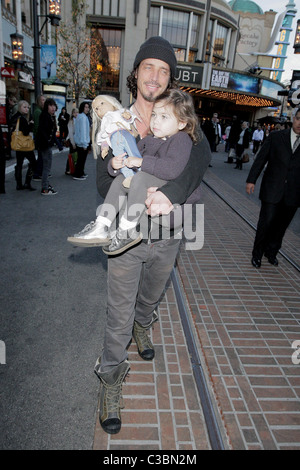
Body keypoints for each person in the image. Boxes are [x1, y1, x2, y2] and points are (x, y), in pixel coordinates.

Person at [91, 36, 211, 435]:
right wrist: (118, 157)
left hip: (169, 234)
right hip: (127, 238)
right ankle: (110, 380)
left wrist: (171, 197)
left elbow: (202, 156)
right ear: (135, 74)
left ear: (170, 79)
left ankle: (146, 322)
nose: (155, 76)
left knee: (150, 297)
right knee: (117, 316)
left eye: (164, 70)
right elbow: (99, 179)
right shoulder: (117, 121)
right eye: (148, 67)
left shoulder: (177, 117)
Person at [67, 88, 199, 255]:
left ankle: (127, 229)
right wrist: (115, 166)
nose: (156, 121)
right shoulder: (149, 140)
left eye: (164, 117)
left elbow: (171, 169)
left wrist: (141, 162)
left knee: (141, 178)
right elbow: (132, 159)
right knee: (121, 179)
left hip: (170, 196)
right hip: (151, 188)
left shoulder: (181, 139)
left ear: (182, 123)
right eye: (154, 115)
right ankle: (101, 225)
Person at [246, 106, 300, 269]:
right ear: (293, 118)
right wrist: (251, 180)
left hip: (293, 193)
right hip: (272, 188)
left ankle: (271, 252)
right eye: (298, 118)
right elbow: (261, 159)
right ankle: (257, 254)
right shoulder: (276, 137)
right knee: (266, 222)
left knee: (281, 226)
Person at [11, 100, 37, 191]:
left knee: (19, 163)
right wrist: (31, 124)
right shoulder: (22, 118)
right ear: (19, 107)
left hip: (18, 145)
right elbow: (26, 132)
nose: (26, 109)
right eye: (24, 107)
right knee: (33, 163)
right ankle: (27, 182)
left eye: (27, 107)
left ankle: (19, 184)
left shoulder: (14, 117)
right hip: (25, 146)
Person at [36, 98, 58, 195]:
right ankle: (45, 188)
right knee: (46, 167)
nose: (53, 108)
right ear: (46, 106)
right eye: (50, 105)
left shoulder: (49, 116)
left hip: (45, 144)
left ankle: (46, 185)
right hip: (45, 145)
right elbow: (43, 131)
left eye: (54, 105)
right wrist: (48, 141)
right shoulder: (45, 116)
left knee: (47, 166)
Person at [73, 102, 90, 180]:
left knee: (80, 159)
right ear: (82, 108)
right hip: (82, 142)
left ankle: (80, 172)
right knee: (81, 159)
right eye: (85, 107)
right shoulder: (83, 117)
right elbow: (83, 131)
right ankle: (78, 174)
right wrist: (85, 144)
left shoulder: (79, 116)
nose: (87, 109)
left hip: (78, 141)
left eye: (88, 107)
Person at [32, 94, 46, 181]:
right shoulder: (38, 112)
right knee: (41, 156)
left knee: (42, 156)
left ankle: (39, 172)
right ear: (38, 101)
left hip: (39, 137)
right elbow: (38, 126)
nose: (44, 102)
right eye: (42, 100)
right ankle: (37, 173)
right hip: (39, 138)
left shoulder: (40, 111)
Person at [65, 107, 78, 175]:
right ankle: (69, 169)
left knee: (73, 155)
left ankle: (71, 169)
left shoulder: (77, 120)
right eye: (75, 112)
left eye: (77, 112)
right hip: (71, 140)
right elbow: (70, 133)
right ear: (72, 113)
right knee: (72, 154)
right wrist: (73, 143)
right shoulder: (71, 121)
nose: (76, 114)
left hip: (76, 140)